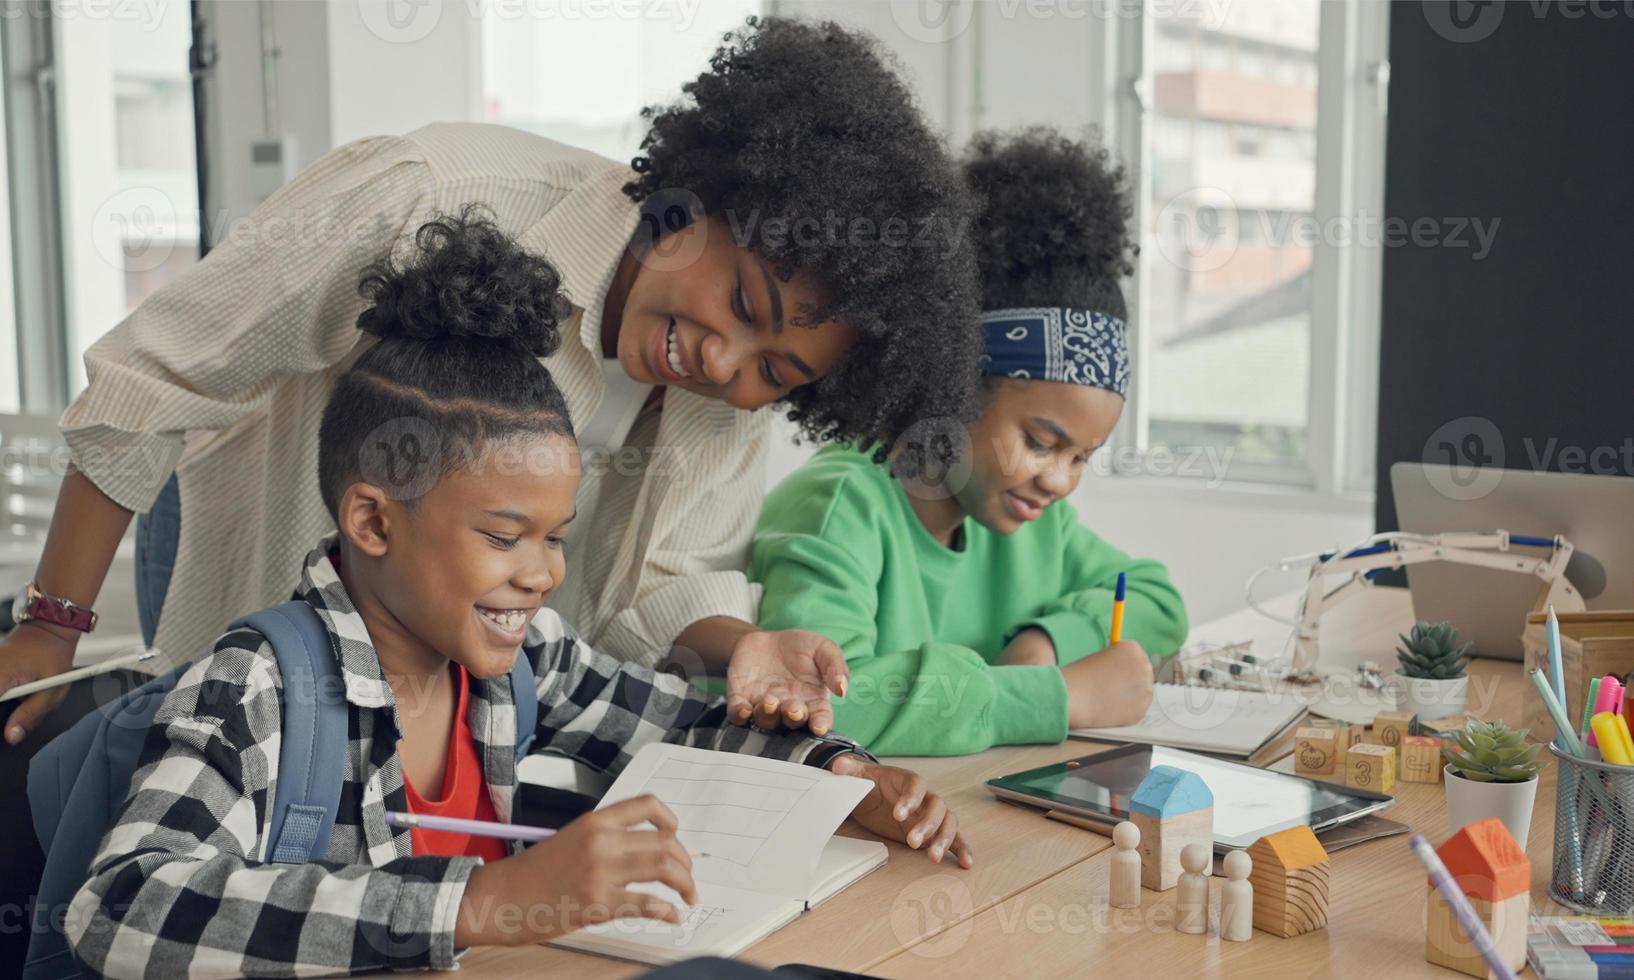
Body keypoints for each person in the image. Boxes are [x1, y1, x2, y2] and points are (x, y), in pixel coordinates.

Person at [0, 17, 984, 746]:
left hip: (444, 682)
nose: (724, 362)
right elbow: (156, 376)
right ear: (703, 202)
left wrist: (744, 645)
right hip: (258, 548)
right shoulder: (431, 191)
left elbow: (663, 583)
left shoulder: (721, 405)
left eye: (776, 370)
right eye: (742, 300)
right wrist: (51, 628)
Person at [65, 211, 971, 978]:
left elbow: (690, 723)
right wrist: (486, 900)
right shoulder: (257, 685)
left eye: (555, 539)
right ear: (374, 523)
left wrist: (843, 776)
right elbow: (120, 905)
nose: (541, 575)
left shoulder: (524, 657)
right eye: (504, 538)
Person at [748, 129, 1188, 755]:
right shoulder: (840, 504)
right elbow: (814, 705)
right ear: (954, 381)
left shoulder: (1035, 523)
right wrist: (1055, 695)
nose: (1059, 481)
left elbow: (1157, 598)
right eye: (1041, 442)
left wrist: (1048, 641)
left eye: (1081, 458)